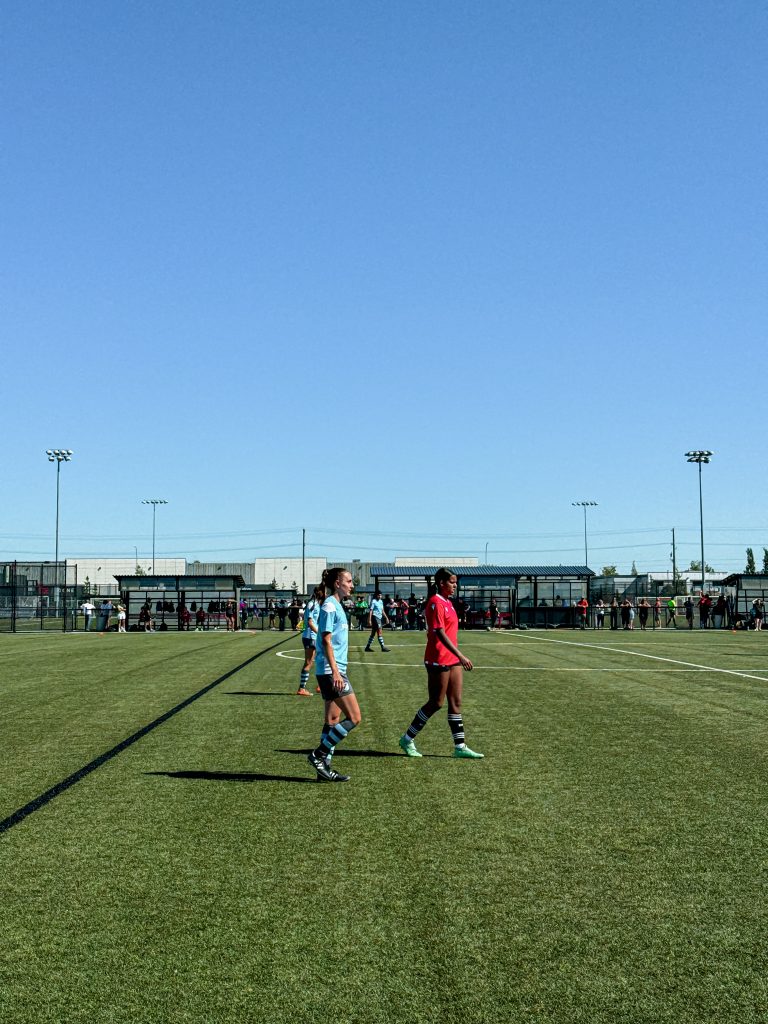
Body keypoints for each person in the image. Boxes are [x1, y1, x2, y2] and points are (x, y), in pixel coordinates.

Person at [399, 568, 484, 760]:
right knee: (436, 703)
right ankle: (407, 739)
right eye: (452, 582)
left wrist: (457, 657)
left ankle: (460, 746)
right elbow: (439, 632)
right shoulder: (435, 602)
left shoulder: (448, 603)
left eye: (455, 582)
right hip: (438, 658)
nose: (455, 586)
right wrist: (461, 655)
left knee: (456, 702)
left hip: (451, 658)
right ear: (441, 583)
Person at [306, 568, 361, 783]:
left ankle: (323, 770)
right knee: (355, 718)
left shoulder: (335, 605)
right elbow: (326, 640)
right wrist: (337, 672)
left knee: (332, 719)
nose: (352, 585)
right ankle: (319, 755)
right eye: (348, 581)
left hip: (331, 670)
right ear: (337, 583)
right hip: (331, 672)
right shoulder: (329, 606)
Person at [297, 586, 322, 696]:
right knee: (309, 662)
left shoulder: (316, 603)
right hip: (311, 637)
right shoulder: (313, 604)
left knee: (321, 659)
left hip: (313, 636)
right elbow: (311, 623)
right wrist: (320, 634)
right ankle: (301, 689)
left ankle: (320, 686)